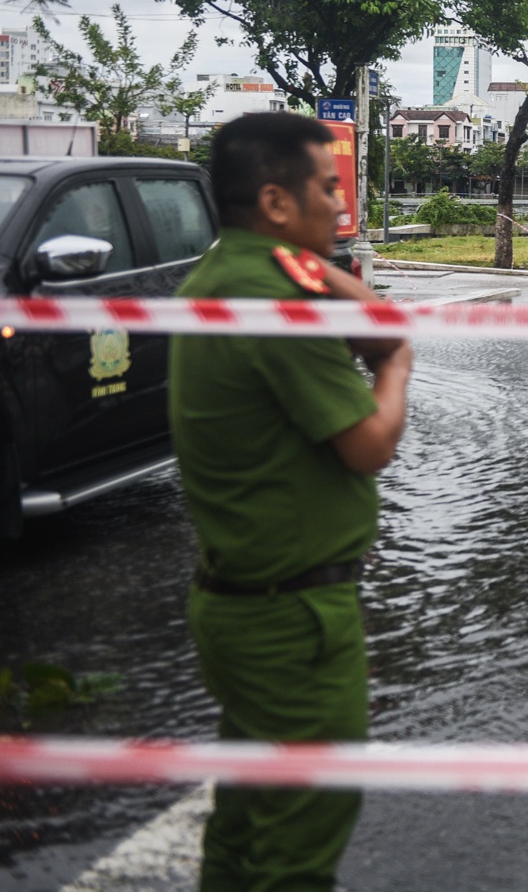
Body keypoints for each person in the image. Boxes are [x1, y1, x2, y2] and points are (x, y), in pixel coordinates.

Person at [170, 113, 414, 891]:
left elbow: (368, 318)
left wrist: (320, 267)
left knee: (245, 826)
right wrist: (397, 366)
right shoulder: (276, 303)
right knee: (298, 847)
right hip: (293, 622)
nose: (340, 206)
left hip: (240, 605)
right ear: (276, 202)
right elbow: (368, 444)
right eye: (327, 189)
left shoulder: (221, 275)